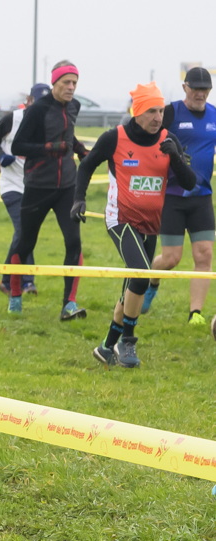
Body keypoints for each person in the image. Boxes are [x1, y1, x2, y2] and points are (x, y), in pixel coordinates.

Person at [76, 83, 195, 368]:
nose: (158, 117)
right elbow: (87, 165)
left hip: (150, 224)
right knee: (141, 276)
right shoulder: (114, 137)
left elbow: (190, 183)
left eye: (161, 111)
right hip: (121, 220)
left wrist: (176, 157)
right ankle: (127, 342)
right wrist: (78, 199)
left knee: (133, 286)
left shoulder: (168, 139)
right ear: (137, 111)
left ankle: (106, 347)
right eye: (152, 111)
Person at [9, 61, 87, 319]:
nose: (71, 87)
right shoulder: (37, 110)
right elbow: (18, 146)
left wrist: (81, 151)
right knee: (26, 242)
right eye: (66, 82)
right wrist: (49, 148)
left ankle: (69, 304)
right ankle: (15, 294)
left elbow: (68, 135)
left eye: (74, 82)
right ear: (55, 83)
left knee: (74, 242)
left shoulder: (75, 106)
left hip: (67, 186)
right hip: (38, 185)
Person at [145, 66, 216, 326]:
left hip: (202, 197)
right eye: (195, 88)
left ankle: (195, 313)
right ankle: (151, 283)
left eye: (205, 89)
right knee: (171, 258)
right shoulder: (170, 112)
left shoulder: (214, 115)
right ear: (185, 88)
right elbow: (147, 138)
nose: (200, 94)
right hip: (172, 197)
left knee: (204, 255)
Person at [0, 84, 48, 298]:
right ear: (29, 101)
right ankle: (27, 281)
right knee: (24, 231)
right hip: (11, 186)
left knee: (25, 234)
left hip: (34, 187)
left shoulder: (51, 123)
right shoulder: (13, 119)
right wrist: (1, 156)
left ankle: (6, 280)